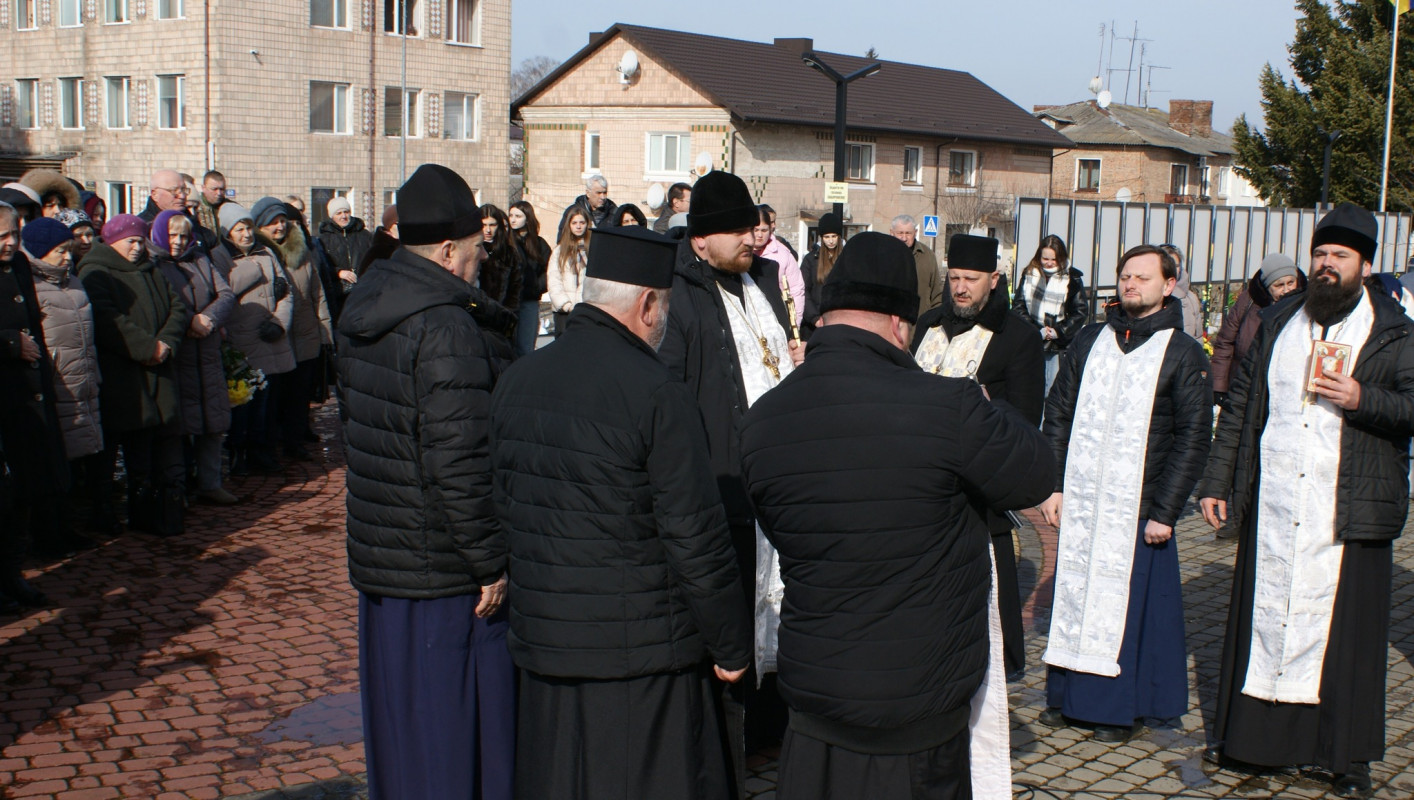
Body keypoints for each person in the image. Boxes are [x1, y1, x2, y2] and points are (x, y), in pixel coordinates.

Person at [741, 232, 1055, 800]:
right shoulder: (948, 405)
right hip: (917, 711)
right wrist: (984, 408)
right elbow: (1036, 473)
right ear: (899, 324)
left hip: (816, 700)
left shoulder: (763, 419)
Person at [491, 225, 751, 800]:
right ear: (648, 303)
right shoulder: (657, 392)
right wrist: (732, 645)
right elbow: (696, 536)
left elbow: (504, 506)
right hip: (641, 664)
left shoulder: (517, 379)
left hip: (547, 652)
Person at [1196, 203, 1414, 799]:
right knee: (1266, 620)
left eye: (1339, 257)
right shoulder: (1279, 321)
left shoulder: (1393, 330)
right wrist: (1218, 482)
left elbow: (1411, 408)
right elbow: (1242, 409)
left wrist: (1362, 395)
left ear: (1364, 266)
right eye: (1319, 254)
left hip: (1347, 509)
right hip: (1274, 502)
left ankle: (1343, 757)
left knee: (1346, 638)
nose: (1325, 266)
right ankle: (1258, 745)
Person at [336, 163, 512, 800]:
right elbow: (458, 461)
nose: (479, 261)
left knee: (401, 732)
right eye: (473, 250)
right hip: (444, 570)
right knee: (454, 742)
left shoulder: (369, 303)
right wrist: (490, 562)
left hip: (388, 561)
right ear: (445, 250)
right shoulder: (444, 325)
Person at [658, 169, 804, 793]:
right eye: (737, 229)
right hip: (721, 490)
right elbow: (671, 399)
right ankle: (728, 746)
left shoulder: (761, 281)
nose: (752, 236)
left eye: (753, 225)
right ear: (699, 239)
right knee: (733, 617)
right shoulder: (681, 295)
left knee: (776, 607)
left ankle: (770, 728)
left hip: (772, 488)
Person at [1036, 244, 1212, 743]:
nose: (1131, 284)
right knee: (1076, 596)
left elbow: (1193, 437)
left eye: (1142, 277)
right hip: (1084, 500)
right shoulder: (1090, 338)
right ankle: (1068, 696)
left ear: (1168, 285)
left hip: (1139, 507)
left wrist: (1167, 510)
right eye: (1125, 276)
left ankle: (1118, 710)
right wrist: (1051, 484)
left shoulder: (1182, 350)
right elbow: (1059, 412)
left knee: (1127, 611)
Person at [912, 233, 1045, 679]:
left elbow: (1026, 423)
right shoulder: (927, 324)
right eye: (954, 278)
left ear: (994, 279)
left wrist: (988, 408)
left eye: (972, 279)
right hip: (918, 487)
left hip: (977, 496)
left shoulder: (1019, 339)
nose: (961, 288)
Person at [80, 214, 189, 538]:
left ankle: (144, 511)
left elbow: (177, 308)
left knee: (144, 451)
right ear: (113, 241)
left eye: (141, 241)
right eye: (131, 241)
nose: (137, 247)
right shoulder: (96, 271)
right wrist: (147, 348)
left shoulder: (150, 267)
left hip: (156, 372)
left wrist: (166, 343)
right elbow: (107, 320)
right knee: (109, 453)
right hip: (120, 378)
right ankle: (104, 515)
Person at [24, 218, 103, 554]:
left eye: (68, 251)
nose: (67, 258)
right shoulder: (30, 286)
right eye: (60, 251)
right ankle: (48, 534)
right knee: (52, 464)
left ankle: (66, 526)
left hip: (82, 378)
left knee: (73, 462)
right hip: (54, 382)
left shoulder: (73, 282)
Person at [151, 211, 236, 505]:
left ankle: (210, 483)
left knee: (212, 422)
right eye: (173, 235)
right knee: (178, 427)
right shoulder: (155, 265)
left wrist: (208, 320)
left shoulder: (200, 259)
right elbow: (164, 301)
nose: (178, 242)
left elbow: (226, 294)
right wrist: (191, 322)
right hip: (179, 354)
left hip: (207, 353)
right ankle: (179, 487)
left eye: (183, 236)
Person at [218, 203, 296, 476]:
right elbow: (222, 291)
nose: (247, 234)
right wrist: (253, 270)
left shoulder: (266, 252)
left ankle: (263, 451)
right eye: (240, 229)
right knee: (244, 404)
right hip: (243, 342)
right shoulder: (220, 256)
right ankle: (240, 454)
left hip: (270, 337)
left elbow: (286, 293)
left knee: (268, 402)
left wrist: (279, 323)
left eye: (249, 227)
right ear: (228, 232)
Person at [252, 197, 331, 462]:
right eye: (272, 223)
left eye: (282, 221)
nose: (279, 227)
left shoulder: (303, 251)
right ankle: (271, 442)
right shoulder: (258, 254)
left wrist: (325, 331)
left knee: (299, 396)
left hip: (306, 332)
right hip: (276, 337)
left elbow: (317, 293)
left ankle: (294, 442)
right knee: (276, 395)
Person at [1210, 253, 1305, 408]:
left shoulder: (1305, 303)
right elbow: (1225, 342)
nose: (1286, 290)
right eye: (1279, 285)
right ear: (1267, 287)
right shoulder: (1248, 301)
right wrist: (1219, 385)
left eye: (1290, 283)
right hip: (1246, 384)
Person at [1013, 235, 1090, 395]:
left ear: (1060, 258)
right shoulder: (1029, 274)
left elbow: (1080, 311)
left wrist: (1058, 331)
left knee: (1052, 392)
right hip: (1032, 341)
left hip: (1057, 346)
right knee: (1028, 390)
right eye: (1045, 258)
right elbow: (1019, 306)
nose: (1048, 263)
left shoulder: (1072, 278)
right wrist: (1035, 331)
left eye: (1053, 259)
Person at [139, 169, 221, 254]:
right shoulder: (141, 229)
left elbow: (220, 263)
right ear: (155, 194)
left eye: (183, 190)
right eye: (174, 191)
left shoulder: (200, 231)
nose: (182, 196)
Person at [508, 201, 550, 357]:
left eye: (518, 216)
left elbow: (548, 271)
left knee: (526, 347)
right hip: (510, 300)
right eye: (511, 215)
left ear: (528, 218)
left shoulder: (539, 244)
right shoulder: (507, 242)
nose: (513, 220)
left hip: (529, 300)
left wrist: (535, 287)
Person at [754, 206, 805, 327]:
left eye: (764, 230)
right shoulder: (741, 252)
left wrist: (795, 324)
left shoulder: (782, 254)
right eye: (756, 230)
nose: (760, 235)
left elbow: (796, 290)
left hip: (777, 318)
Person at [317, 196, 374, 301]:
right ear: (332, 216)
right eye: (338, 213)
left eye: (346, 212)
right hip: (337, 294)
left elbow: (374, 259)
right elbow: (321, 265)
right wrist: (338, 272)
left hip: (364, 291)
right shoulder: (324, 239)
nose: (343, 216)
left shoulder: (364, 235)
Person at [547, 206, 591, 337]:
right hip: (563, 312)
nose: (578, 226)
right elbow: (554, 280)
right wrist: (565, 304)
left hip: (585, 311)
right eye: (574, 223)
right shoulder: (559, 251)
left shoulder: (593, 250)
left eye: (582, 223)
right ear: (569, 225)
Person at [798, 212, 844, 337]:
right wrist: (814, 318)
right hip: (814, 326)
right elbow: (803, 290)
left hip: (839, 322)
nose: (830, 241)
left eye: (834, 236)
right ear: (821, 238)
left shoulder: (846, 258)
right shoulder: (811, 260)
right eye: (826, 237)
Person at [890, 215, 942, 317]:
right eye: (900, 233)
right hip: (891, 325)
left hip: (920, 324)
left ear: (915, 233)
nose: (904, 238)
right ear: (892, 233)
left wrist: (933, 319)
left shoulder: (927, 255)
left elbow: (937, 293)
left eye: (908, 233)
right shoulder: (884, 255)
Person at [478, 204, 525, 310]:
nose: (488, 230)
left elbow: (515, 288)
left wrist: (508, 313)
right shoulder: (471, 251)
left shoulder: (508, 253)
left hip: (500, 314)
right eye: (484, 225)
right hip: (475, 314)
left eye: (492, 225)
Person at [1157, 244, 1205, 339]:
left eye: (1176, 265)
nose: (1173, 269)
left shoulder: (1191, 298)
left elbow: (1198, 336)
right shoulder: (1150, 296)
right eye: (1168, 265)